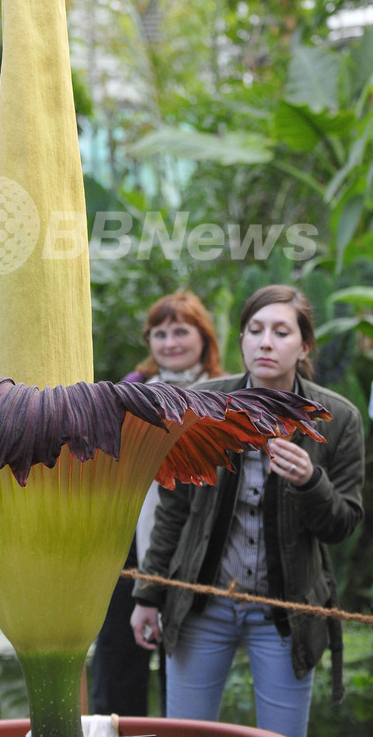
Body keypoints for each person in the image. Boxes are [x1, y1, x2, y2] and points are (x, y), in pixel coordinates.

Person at [131, 284, 365, 737]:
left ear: (304, 346)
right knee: (184, 732)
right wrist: (147, 594)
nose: (265, 342)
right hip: (201, 604)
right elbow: (172, 511)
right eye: (255, 330)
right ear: (240, 340)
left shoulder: (337, 417)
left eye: (281, 332)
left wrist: (310, 481)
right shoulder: (203, 405)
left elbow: (343, 524)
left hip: (285, 611)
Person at [90, 290, 223, 716]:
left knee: (182, 657)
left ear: (203, 336)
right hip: (129, 535)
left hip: (198, 542)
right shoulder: (132, 390)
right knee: (116, 654)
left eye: (180, 331)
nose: (169, 342)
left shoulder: (225, 395)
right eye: (159, 333)